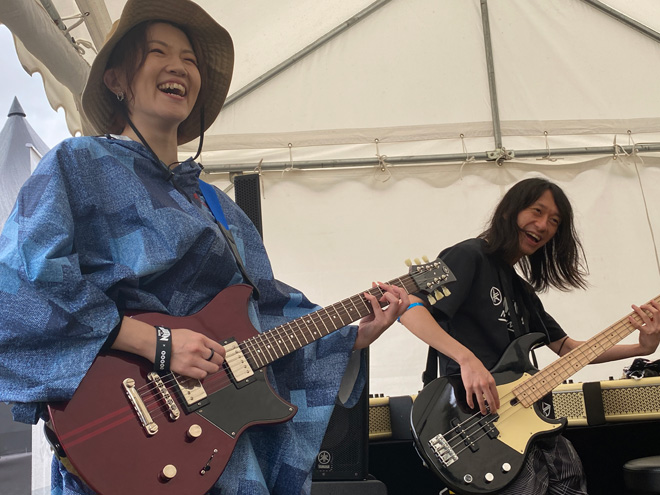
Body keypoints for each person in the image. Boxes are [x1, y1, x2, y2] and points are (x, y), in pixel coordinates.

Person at [0, 1, 408, 494]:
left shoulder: (221, 209)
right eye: (158, 52)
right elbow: (20, 283)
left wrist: (345, 337)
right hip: (124, 431)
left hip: (218, 446)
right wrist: (155, 342)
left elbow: (263, 314)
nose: (178, 67)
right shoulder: (78, 164)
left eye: (190, 59)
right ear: (116, 79)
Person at [399, 177, 660, 494]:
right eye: (537, 211)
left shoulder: (522, 290)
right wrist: (467, 360)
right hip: (476, 420)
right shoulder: (469, 255)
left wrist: (641, 347)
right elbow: (408, 307)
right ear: (509, 211)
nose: (544, 225)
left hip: (526, 420)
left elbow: (568, 349)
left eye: (555, 221)